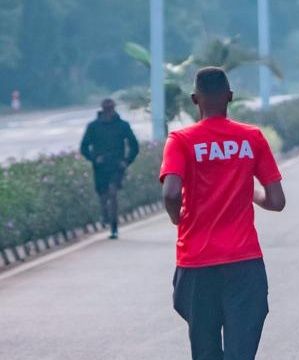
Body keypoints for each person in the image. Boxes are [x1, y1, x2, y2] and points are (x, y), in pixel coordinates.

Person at [160, 67, 286, 360]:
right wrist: (252, 193)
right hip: (243, 260)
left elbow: (169, 193)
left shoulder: (180, 140)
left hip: (196, 261)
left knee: (205, 349)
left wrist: (177, 217)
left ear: (195, 99)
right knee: (240, 350)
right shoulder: (251, 138)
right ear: (230, 96)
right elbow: (277, 200)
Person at [80, 98, 139, 239]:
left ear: (114, 109)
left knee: (113, 193)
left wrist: (127, 161)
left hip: (117, 165)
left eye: (111, 109)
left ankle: (114, 226)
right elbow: (84, 147)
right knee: (103, 195)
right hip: (100, 167)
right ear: (102, 109)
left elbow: (134, 145)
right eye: (106, 109)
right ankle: (105, 214)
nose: (109, 112)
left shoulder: (122, 125)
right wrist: (94, 159)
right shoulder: (93, 126)